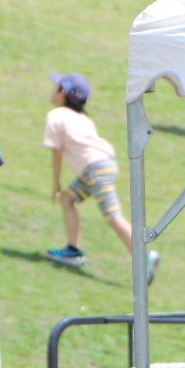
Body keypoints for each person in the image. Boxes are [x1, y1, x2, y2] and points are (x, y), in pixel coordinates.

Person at [43, 72, 156, 279]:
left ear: (63, 93)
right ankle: (73, 250)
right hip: (102, 166)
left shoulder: (56, 116)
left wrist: (56, 184)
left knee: (113, 216)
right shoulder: (82, 118)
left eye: (56, 87)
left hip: (95, 170)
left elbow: (56, 154)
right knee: (68, 199)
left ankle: (143, 257)